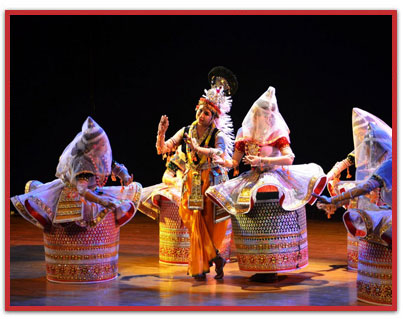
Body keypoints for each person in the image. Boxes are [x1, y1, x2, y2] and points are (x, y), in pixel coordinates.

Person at [206, 86, 327, 282]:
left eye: (271, 114)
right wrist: (224, 162)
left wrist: (264, 162)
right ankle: (258, 264)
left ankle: (273, 266)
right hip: (254, 176)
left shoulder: (277, 132)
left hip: (275, 176)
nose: (268, 117)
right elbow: (235, 162)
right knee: (250, 217)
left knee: (272, 221)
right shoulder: (244, 133)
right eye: (265, 114)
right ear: (256, 114)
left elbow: (289, 158)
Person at [11, 116, 142, 283]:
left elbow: (113, 165)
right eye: (100, 145)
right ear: (92, 146)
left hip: (94, 190)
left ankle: (101, 268)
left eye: (104, 144)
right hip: (77, 193)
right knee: (81, 214)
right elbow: (82, 190)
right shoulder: (82, 162)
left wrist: (123, 175)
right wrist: (102, 202)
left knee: (128, 192)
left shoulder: (99, 154)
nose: (103, 147)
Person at [155, 66, 237, 281]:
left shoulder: (217, 135)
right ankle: (215, 258)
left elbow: (219, 154)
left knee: (204, 226)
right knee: (191, 223)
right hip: (190, 183)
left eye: (207, 113)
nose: (202, 115)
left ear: (214, 117)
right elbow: (163, 149)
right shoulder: (186, 130)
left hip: (208, 183)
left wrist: (198, 149)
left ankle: (199, 267)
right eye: (200, 111)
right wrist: (161, 132)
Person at [313, 108, 392, 305]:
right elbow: (348, 162)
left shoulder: (389, 163)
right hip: (385, 205)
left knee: (376, 227)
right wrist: (329, 176)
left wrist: (333, 200)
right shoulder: (385, 153)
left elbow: (366, 186)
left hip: (389, 211)